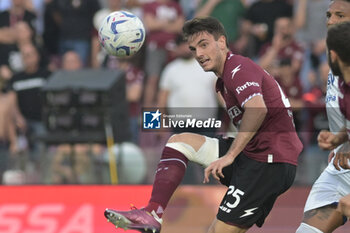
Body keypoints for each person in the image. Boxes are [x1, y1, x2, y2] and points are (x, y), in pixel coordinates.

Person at [104, 16, 302, 233]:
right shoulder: (221, 82)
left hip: (269, 162)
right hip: (254, 155)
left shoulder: (238, 67)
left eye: (204, 45)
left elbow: (258, 109)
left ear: (222, 42)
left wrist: (230, 156)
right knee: (179, 142)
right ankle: (153, 213)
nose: (198, 54)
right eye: (193, 48)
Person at [295, 1, 350, 232]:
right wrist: (339, 141)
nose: (330, 20)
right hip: (341, 167)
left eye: (339, 15)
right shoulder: (334, 61)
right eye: (329, 15)